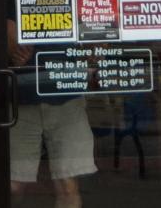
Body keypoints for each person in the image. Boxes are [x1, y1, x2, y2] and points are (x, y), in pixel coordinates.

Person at [6, 20, 97, 207]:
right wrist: (11, 58)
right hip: (23, 99)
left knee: (68, 186)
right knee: (13, 186)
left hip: (67, 97)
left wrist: (92, 53)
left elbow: (97, 42)